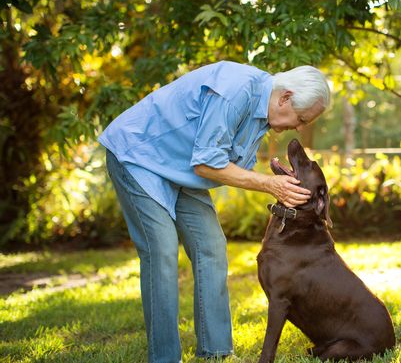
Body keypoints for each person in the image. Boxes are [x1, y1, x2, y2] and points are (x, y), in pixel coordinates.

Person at [99, 60, 330, 363]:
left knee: (211, 247)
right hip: (139, 155)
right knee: (162, 251)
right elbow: (207, 164)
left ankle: (216, 353)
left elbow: (223, 164)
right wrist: (270, 185)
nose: (298, 128)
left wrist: (275, 184)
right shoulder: (235, 91)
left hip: (179, 168)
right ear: (285, 97)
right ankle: (165, 358)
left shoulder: (262, 116)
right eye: (300, 118)